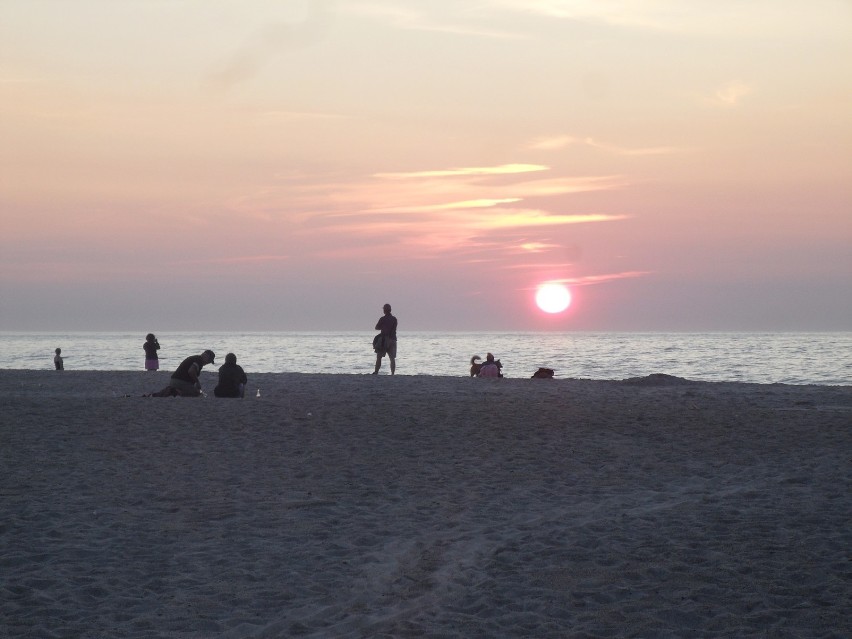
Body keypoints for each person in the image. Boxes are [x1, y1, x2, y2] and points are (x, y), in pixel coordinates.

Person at [150, 349, 215, 397]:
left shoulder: (195, 358)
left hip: (174, 380)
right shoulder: (199, 360)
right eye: (209, 361)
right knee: (198, 394)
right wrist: (197, 382)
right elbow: (191, 371)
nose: (208, 363)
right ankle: (175, 391)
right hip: (181, 382)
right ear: (206, 358)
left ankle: (169, 390)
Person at [372, 303, 398, 375]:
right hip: (393, 339)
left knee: (379, 357)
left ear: (384, 310)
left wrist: (383, 327)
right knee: (392, 358)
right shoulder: (394, 319)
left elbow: (376, 327)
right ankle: (392, 373)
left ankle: (376, 371)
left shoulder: (382, 319)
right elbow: (394, 329)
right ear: (390, 310)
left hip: (384, 339)